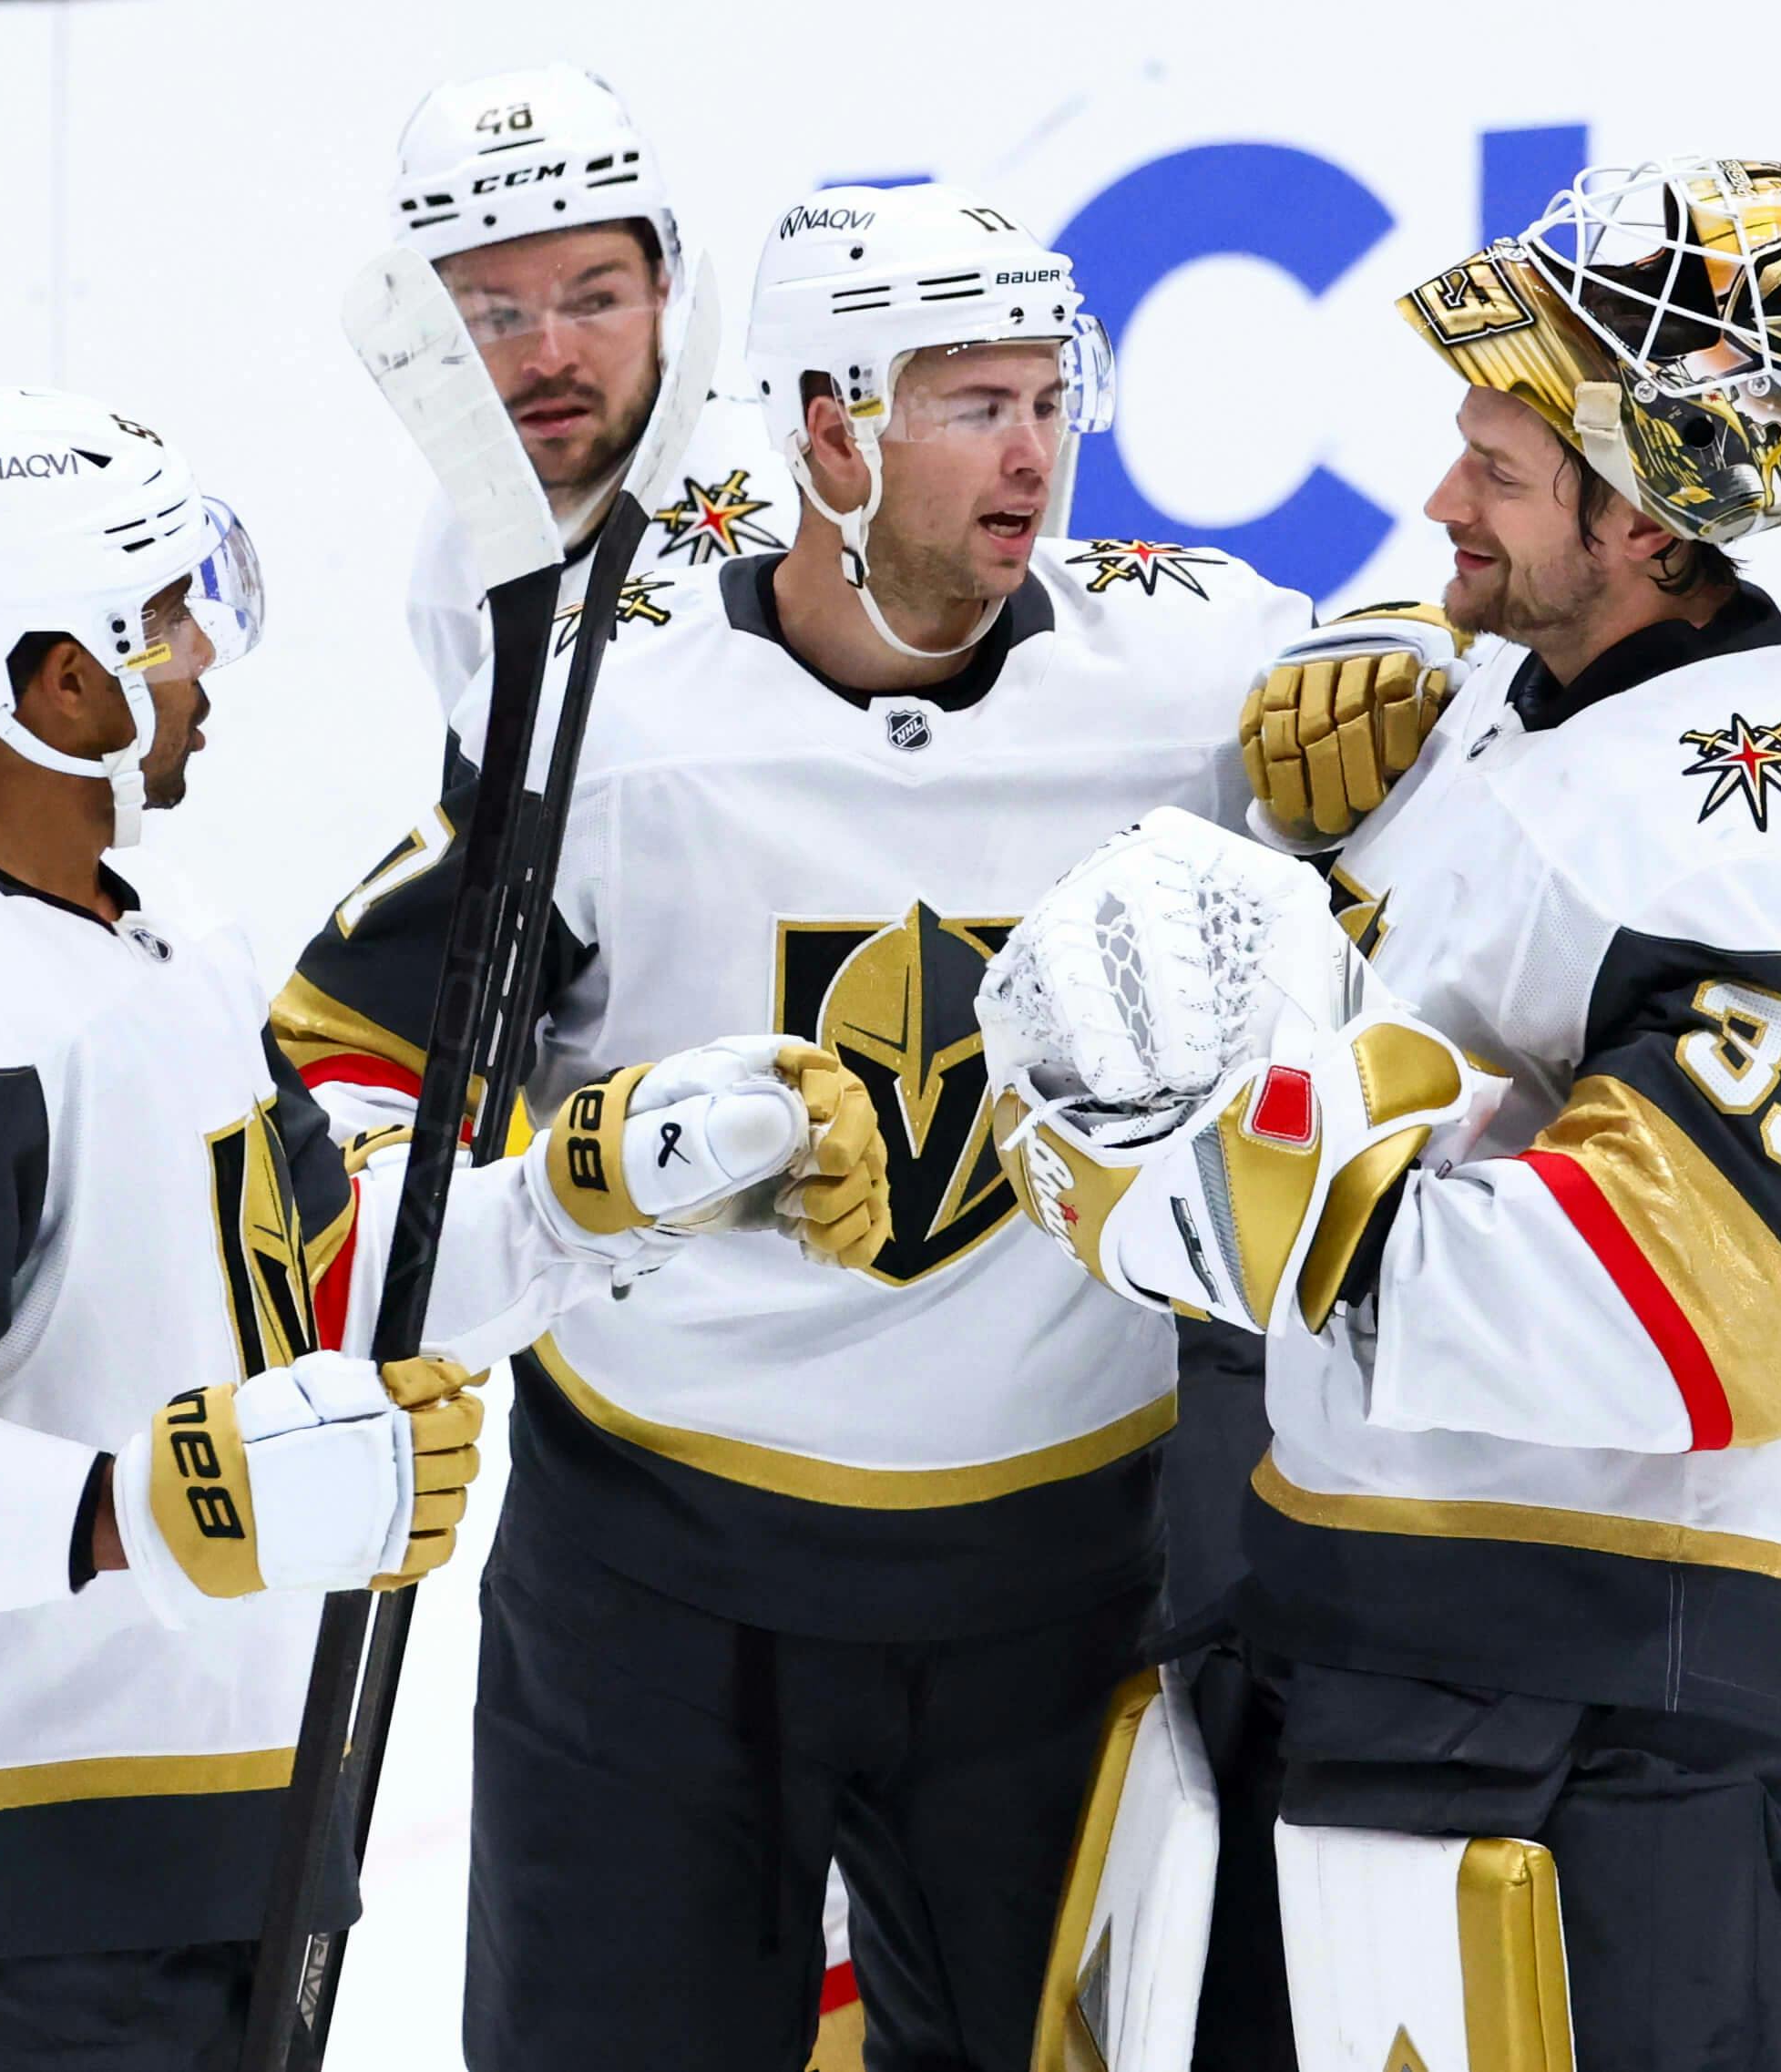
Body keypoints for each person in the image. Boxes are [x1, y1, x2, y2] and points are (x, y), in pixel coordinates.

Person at [0, 385, 889, 2069]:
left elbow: (320, 1293)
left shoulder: (165, 943)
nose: (202, 655)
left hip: (205, 1840)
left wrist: (581, 1193)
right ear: (60, 681)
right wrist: (153, 1499)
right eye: (165, 616)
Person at [272, 182, 1314, 2071]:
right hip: (654, 1610)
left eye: (1048, 394)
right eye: (970, 403)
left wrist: (1410, 683)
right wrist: (566, 1195)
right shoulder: (610, 714)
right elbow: (333, 1109)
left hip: (1068, 1595)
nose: (1034, 449)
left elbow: (1444, 763)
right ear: (827, 428)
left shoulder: (1198, 684)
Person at [984, 159, 1781, 2069]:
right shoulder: (1528, 702)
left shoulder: (1745, 825)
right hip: (1426, 1648)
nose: (1443, 503)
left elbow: (1717, 1307)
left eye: (1499, 474)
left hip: (1628, 1694)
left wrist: (1251, 1214)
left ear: (1657, 513)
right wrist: (1311, 835)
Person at [386, 63, 797, 723]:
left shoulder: (800, 503)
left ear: (664, 283)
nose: (549, 359)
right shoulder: (454, 557)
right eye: (496, 316)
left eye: (594, 302)